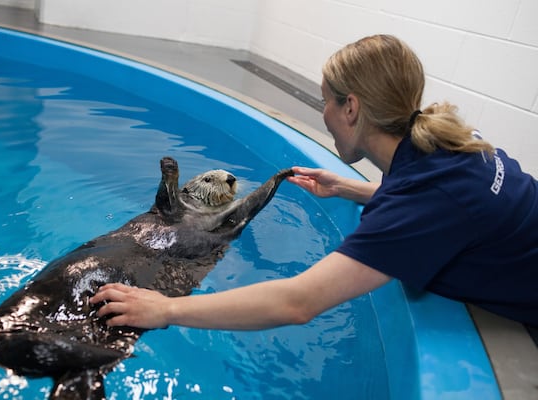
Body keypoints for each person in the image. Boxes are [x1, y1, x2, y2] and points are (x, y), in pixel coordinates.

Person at [90, 34, 538, 334]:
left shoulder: (424, 196)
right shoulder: (445, 140)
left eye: (324, 100)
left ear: (351, 108)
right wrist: (351, 189)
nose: (322, 114)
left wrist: (165, 309)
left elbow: (297, 302)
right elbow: (445, 208)